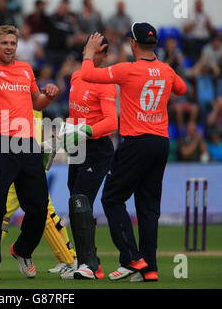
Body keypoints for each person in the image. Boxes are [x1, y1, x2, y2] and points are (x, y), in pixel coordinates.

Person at [80, 23, 187, 282]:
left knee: (112, 198)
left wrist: (88, 53)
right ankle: (150, 269)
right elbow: (182, 90)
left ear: (134, 43)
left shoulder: (127, 70)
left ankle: (131, 257)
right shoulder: (166, 70)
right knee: (148, 207)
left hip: (136, 142)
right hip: (161, 143)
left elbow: (87, 75)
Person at [0, 24, 59, 279]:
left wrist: (48, 96)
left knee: (38, 209)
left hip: (28, 145)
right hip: (1, 144)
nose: (9, 47)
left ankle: (23, 249)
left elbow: (36, 101)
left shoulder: (25, 69)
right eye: (4, 43)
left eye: (12, 43)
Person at [59, 37, 118, 280]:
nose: (90, 54)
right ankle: (88, 261)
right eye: (88, 49)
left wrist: (87, 131)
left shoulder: (106, 83)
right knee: (77, 202)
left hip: (98, 149)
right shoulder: (75, 77)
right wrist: (67, 137)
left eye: (95, 51)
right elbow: (75, 114)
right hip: (78, 148)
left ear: (103, 55)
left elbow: (112, 122)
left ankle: (89, 265)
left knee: (80, 199)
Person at [0, 110, 77, 278]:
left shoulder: (26, 101)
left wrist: (43, 149)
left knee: (9, 213)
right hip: (25, 160)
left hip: (26, 161)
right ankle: (69, 259)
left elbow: (35, 133)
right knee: (44, 211)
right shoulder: (31, 102)